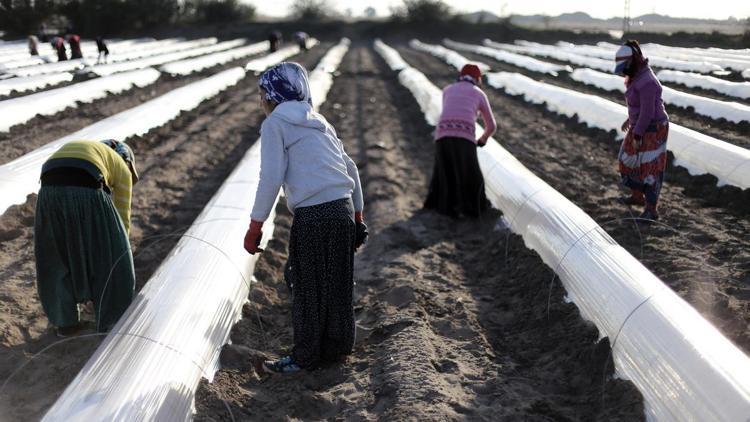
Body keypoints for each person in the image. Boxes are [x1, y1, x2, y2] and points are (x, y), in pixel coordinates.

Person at [244, 62, 367, 373]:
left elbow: (271, 177)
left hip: (313, 215)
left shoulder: (275, 125)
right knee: (337, 284)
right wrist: (358, 216)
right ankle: (336, 351)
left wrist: (255, 225)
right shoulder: (320, 122)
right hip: (341, 211)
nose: (262, 102)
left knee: (306, 285)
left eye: (263, 95)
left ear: (275, 95)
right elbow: (350, 169)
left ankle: (305, 358)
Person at [35, 139, 139, 337]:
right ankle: (111, 320)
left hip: (48, 189)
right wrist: (120, 248)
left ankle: (65, 324)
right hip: (88, 183)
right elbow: (122, 217)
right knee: (110, 257)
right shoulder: (122, 169)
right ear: (128, 161)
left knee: (56, 257)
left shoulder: (91, 149)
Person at [424, 64, 496, 218]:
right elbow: (491, 126)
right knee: (470, 174)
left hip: (442, 134)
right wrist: (482, 140)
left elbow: (449, 112)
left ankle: (445, 208)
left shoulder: (448, 90)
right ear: (477, 79)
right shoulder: (479, 93)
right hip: (465, 137)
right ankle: (472, 209)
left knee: (445, 172)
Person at [614, 40, 669, 223]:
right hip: (640, 125)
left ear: (634, 61)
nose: (623, 71)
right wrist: (630, 120)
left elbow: (648, 112)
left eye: (625, 66)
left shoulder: (647, 82)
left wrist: (637, 134)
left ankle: (651, 210)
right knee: (626, 160)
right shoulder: (636, 76)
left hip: (653, 128)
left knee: (650, 168)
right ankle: (637, 196)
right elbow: (639, 107)